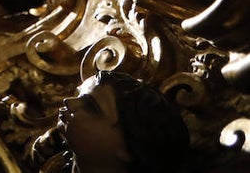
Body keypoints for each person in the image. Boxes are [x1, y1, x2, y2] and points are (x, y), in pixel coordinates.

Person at [30, 70, 191, 172]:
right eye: (78, 95)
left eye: (91, 106)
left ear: (130, 148)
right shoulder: (58, 164)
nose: (68, 102)